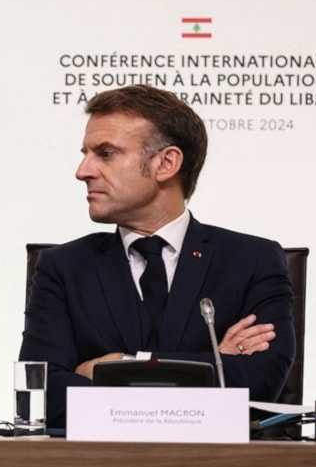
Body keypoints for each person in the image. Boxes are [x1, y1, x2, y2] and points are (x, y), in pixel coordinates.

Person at [19, 84, 294, 429]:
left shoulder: (252, 260)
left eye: (106, 153)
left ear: (166, 163)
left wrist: (118, 364)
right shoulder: (64, 267)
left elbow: (257, 384)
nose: (83, 170)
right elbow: (44, 395)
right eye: (86, 153)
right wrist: (213, 364)